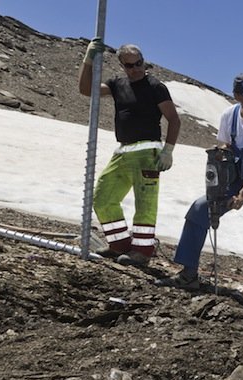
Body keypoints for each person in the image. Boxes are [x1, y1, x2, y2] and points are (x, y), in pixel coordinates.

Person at [157, 73, 243, 315]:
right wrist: (221, 166)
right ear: (237, 97)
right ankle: (188, 275)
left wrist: (242, 196)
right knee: (200, 210)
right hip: (237, 173)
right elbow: (225, 146)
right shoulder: (228, 117)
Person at [78, 38, 181, 266]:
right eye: (129, 65)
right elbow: (86, 90)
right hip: (123, 152)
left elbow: (174, 119)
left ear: (144, 62)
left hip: (148, 152)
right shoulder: (117, 84)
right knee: (103, 198)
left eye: (138, 63)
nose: (135, 69)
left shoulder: (155, 86)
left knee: (145, 203)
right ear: (122, 66)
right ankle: (120, 246)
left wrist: (168, 150)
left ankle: (142, 252)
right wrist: (89, 59)